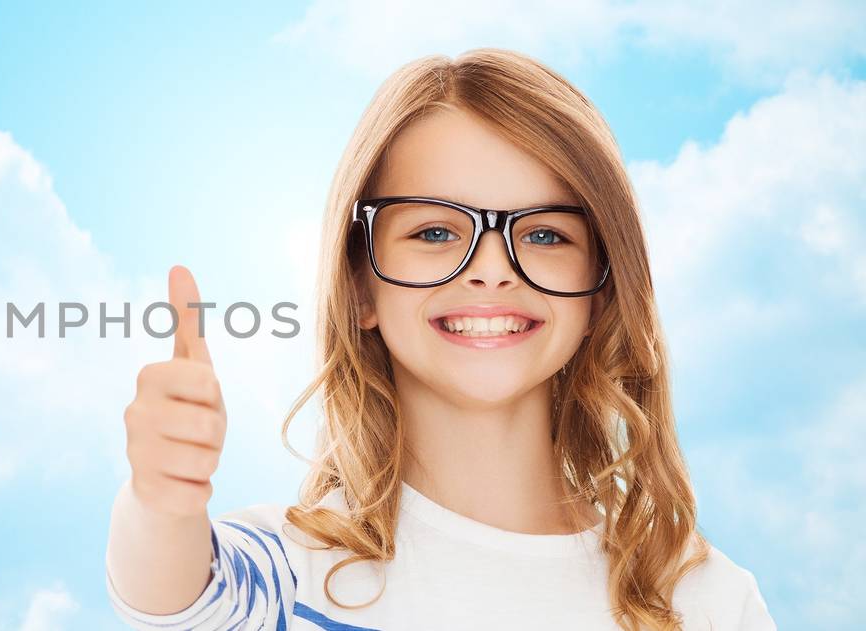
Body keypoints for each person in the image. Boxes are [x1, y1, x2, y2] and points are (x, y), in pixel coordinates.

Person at [104, 48, 776, 630]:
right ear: (360, 285)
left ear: (602, 286)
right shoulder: (292, 576)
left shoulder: (704, 601)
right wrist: (159, 501)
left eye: (544, 233)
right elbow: (174, 598)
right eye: (434, 232)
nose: (490, 268)